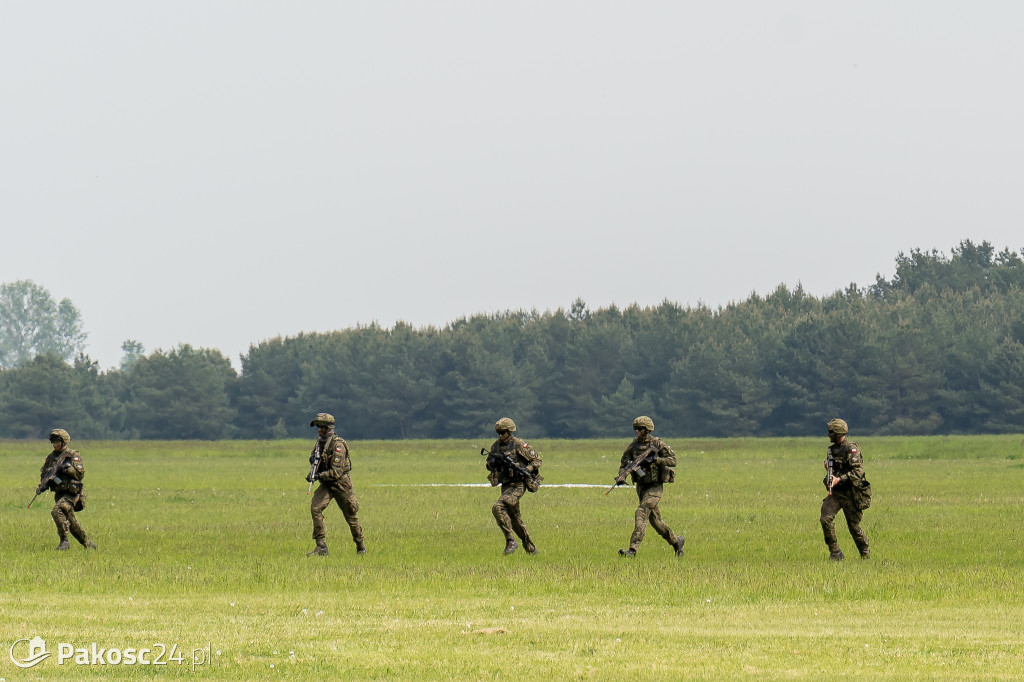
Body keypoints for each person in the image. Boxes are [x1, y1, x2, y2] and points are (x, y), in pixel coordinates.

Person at [615, 416, 685, 558]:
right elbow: (624, 465)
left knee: (641, 511)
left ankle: (632, 550)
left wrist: (655, 460)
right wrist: (622, 476)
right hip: (641, 486)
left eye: (640, 429)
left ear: (647, 430)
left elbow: (673, 460)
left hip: (655, 486)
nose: (637, 431)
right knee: (656, 522)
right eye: (635, 429)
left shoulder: (657, 444)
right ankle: (677, 542)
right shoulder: (633, 447)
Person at [306, 413, 365, 556]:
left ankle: (361, 546)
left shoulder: (338, 445)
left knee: (351, 516)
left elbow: (336, 472)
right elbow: (315, 460)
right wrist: (313, 471)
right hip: (326, 484)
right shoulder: (319, 443)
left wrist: (319, 475)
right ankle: (321, 547)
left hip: (341, 484)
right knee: (315, 508)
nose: (320, 430)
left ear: (329, 427)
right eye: (318, 427)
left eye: (322, 427)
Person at [485, 417, 542, 555]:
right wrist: (493, 463)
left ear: (509, 432)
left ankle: (510, 540)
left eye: (503, 432)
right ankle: (531, 549)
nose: (501, 436)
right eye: (498, 433)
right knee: (515, 518)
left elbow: (537, 461)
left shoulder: (518, 444)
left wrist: (526, 469)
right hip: (505, 485)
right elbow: (488, 464)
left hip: (518, 484)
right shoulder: (496, 446)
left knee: (498, 507)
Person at [820, 418, 872, 560]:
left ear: (838, 432)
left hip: (851, 493)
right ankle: (835, 552)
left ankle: (865, 555)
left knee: (854, 527)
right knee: (825, 519)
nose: (828, 435)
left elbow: (858, 472)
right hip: (836, 493)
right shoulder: (831, 450)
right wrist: (829, 472)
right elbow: (832, 470)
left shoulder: (851, 449)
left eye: (831, 432)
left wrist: (839, 479)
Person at [36, 429, 96, 551]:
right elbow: (45, 475)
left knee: (57, 511)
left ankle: (64, 541)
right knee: (71, 521)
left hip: (73, 493)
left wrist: (67, 469)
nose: (55, 445)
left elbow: (79, 474)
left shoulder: (72, 455)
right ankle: (88, 544)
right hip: (59, 493)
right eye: (53, 442)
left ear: (64, 442)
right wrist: (43, 485)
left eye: (57, 442)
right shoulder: (51, 458)